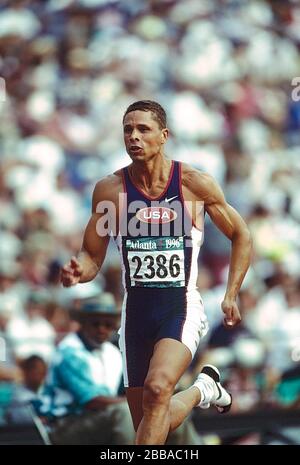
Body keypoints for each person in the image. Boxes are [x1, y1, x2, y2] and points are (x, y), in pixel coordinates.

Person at [61, 100, 252, 445]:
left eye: (143, 129)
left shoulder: (194, 184)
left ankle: (197, 390)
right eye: (127, 130)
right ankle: (202, 389)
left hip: (180, 307)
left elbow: (241, 235)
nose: (133, 137)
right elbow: (92, 257)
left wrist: (230, 295)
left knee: (158, 387)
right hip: (135, 314)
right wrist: (78, 272)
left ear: (164, 136)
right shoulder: (110, 191)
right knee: (150, 420)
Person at [33, 292, 135, 445]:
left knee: (163, 409)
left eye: (108, 325)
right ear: (83, 323)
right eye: (95, 324)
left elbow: (123, 391)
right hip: (64, 424)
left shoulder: (112, 352)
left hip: (98, 418)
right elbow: (91, 400)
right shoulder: (69, 351)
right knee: (125, 412)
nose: (102, 329)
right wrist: (134, 402)